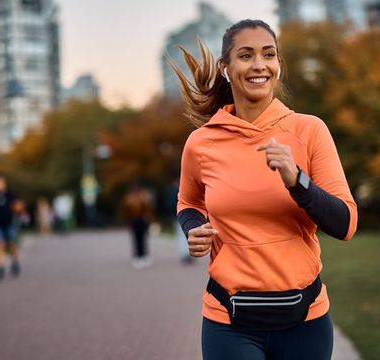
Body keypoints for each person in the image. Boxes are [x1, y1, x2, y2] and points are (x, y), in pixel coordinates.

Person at [172, 20, 358, 359]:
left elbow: (345, 224)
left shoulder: (309, 130)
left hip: (305, 322)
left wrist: (297, 181)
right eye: (246, 55)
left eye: (268, 55)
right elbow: (188, 201)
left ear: (278, 66)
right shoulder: (201, 143)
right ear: (226, 68)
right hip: (229, 321)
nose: (259, 65)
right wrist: (193, 228)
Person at [0, 174, 20, 281]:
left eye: (0, 182)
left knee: (12, 244)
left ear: (4, 183)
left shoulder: (11, 195)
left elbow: (18, 207)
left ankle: (15, 262)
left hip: (10, 223)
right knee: (0, 245)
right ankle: (0, 267)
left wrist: (18, 209)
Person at [121, 182, 155, 269]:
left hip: (138, 220)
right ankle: (140, 256)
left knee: (140, 238)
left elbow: (147, 208)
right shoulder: (141, 197)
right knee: (139, 238)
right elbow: (127, 210)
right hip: (137, 220)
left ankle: (141, 256)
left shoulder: (132, 198)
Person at [166, 177, 193, 264]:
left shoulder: (171, 190)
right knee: (185, 235)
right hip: (184, 214)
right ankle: (187, 254)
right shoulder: (181, 190)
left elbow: (169, 204)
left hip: (177, 215)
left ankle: (184, 253)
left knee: (181, 235)